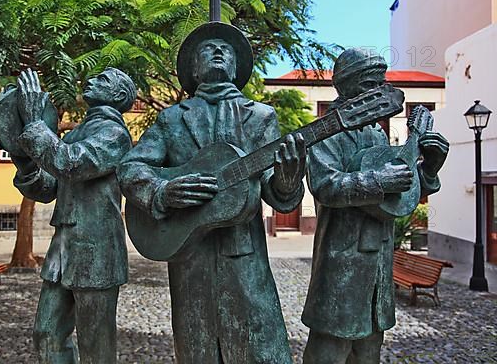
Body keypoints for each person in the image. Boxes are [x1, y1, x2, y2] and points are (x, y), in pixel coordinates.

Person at [117, 22, 306, 363]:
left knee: (261, 349)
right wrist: (161, 192)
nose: (218, 51)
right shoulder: (171, 118)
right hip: (189, 255)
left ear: (236, 67)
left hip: (244, 254)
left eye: (227, 49)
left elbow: (274, 192)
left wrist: (288, 179)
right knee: (196, 349)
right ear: (193, 68)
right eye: (207, 49)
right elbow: (131, 168)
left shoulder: (262, 117)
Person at [302, 48, 449, 364]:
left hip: (378, 265)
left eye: (381, 84)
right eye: (370, 84)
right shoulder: (326, 132)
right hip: (342, 261)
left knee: (369, 351)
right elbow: (326, 186)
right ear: (348, 84)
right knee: (329, 350)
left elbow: (400, 197)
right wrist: (378, 181)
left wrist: (429, 169)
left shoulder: (377, 135)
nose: (379, 92)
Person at [11, 68, 136, 363]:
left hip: (97, 247)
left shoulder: (115, 135)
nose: (90, 80)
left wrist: (34, 124)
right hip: (64, 246)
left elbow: (70, 164)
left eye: (102, 80)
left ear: (118, 96)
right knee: (46, 333)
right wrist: (23, 159)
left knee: (96, 344)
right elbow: (48, 187)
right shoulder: (78, 133)